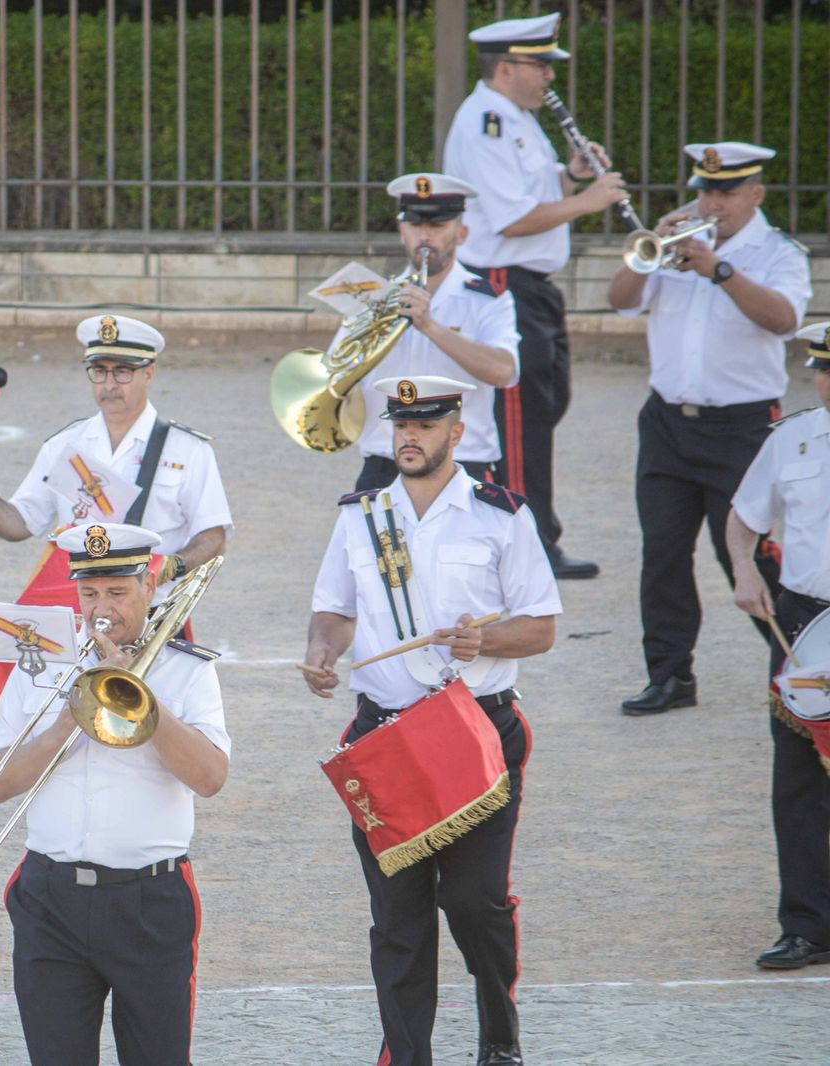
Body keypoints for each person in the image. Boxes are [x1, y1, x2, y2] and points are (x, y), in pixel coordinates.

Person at [302, 376, 560, 1066]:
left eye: (425, 424)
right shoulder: (361, 516)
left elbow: (540, 628)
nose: (409, 437)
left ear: (456, 429)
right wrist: (322, 649)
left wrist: (488, 642)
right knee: (398, 918)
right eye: (401, 425)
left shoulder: (500, 515)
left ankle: (499, 1037)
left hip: (473, 730)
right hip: (385, 732)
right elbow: (333, 607)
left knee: (475, 903)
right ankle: (406, 1053)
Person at [0, 521, 230, 1066]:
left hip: (150, 902)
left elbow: (210, 778)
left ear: (150, 585)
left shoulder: (188, 671)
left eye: (118, 593)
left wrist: (142, 697)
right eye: (89, 593)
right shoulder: (40, 662)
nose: (102, 609)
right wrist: (72, 717)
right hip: (50, 899)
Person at [607, 142, 811, 714]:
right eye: (704, 190)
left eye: (724, 191)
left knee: (753, 553)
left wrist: (719, 270)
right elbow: (619, 300)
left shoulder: (777, 252)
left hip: (742, 428)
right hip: (668, 422)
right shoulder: (675, 246)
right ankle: (670, 675)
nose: (712, 202)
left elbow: (784, 321)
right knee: (664, 553)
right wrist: (645, 252)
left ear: (755, 194)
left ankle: (797, 667)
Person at [0, 314, 233, 734]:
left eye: (123, 372)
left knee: (142, 722)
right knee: (49, 718)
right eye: (100, 371)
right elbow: (20, 523)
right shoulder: (64, 445)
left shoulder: (188, 449)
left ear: (149, 373)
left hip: (149, 608)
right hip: (77, 604)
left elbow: (214, 537)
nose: (109, 384)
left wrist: (171, 566)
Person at [443, 11, 626, 580]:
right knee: (519, 421)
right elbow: (513, 220)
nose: (548, 75)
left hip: (532, 288)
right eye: (540, 64)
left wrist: (570, 175)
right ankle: (530, 545)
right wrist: (592, 199)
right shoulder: (486, 121)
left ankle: (533, 533)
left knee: (543, 408)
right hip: (508, 284)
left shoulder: (514, 117)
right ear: (506, 67)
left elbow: (532, 189)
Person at [725, 321, 830, 971]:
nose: (827, 383)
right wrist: (742, 570)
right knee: (796, 776)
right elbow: (743, 517)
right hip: (803, 622)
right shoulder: (794, 438)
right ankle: (808, 922)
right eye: (822, 370)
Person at [335, 172, 520, 491]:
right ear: (401, 230)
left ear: (461, 233)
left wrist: (431, 327)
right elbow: (335, 372)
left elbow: (504, 371)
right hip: (383, 464)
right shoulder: (372, 297)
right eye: (415, 225)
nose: (424, 237)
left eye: (436, 226)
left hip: (464, 464)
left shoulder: (488, 299)